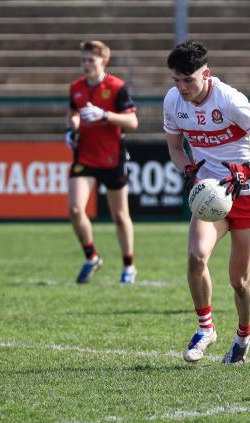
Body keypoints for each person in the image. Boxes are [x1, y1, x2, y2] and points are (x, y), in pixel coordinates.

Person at [163, 41, 250, 364]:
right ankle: (206, 329)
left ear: (206, 74)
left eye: (188, 80)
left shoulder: (229, 99)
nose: (182, 87)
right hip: (210, 193)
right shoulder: (173, 101)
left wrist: (248, 167)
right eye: (176, 80)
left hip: (248, 191)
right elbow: (174, 147)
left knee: (239, 282)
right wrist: (187, 168)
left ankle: (244, 333)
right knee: (196, 257)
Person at [66, 40, 139, 284]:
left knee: (119, 215)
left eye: (91, 60)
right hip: (85, 156)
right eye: (84, 60)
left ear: (104, 61)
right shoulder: (76, 87)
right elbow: (73, 113)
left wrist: (105, 115)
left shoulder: (117, 87)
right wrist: (72, 129)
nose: (86, 64)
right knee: (76, 210)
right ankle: (91, 257)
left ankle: (128, 265)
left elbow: (132, 122)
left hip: (111, 158)